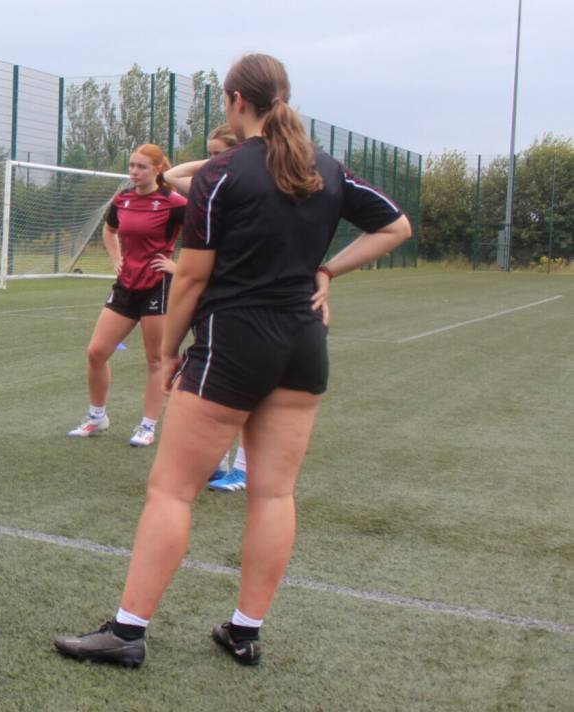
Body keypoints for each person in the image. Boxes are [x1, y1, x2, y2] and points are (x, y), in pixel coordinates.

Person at [53, 53, 411, 668]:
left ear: (235, 100)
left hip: (234, 342)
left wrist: (166, 356)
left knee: (171, 491)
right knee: (273, 495)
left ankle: (128, 633)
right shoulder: (325, 167)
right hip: (303, 343)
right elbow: (396, 226)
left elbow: (191, 279)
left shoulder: (225, 174)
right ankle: (245, 632)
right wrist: (326, 268)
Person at [67, 144, 187, 448]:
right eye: (132, 166)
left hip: (157, 286)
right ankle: (97, 416)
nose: (134, 172)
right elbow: (109, 231)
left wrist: (177, 266)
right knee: (96, 352)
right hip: (125, 285)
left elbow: (206, 238)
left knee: (154, 359)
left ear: (158, 169)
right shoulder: (122, 200)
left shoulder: (174, 203)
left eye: (141, 167)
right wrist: (116, 259)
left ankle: (147, 425)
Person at [165, 125, 250, 492]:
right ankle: (216, 463)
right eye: (210, 155)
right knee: (210, 384)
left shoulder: (248, 192)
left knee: (246, 388)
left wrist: (232, 158)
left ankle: (244, 469)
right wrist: (217, 161)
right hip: (212, 301)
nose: (214, 163)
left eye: (221, 155)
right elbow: (170, 175)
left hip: (242, 299)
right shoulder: (209, 188)